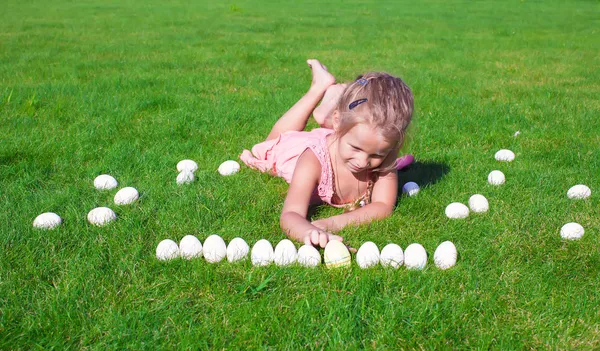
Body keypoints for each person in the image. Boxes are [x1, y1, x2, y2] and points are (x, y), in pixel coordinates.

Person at [240, 59, 414, 248]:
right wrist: (308, 231)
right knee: (273, 143)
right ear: (337, 122)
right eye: (356, 148)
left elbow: (382, 206)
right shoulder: (312, 160)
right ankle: (319, 88)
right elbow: (291, 214)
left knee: (354, 137)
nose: (363, 161)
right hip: (300, 153)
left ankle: (327, 110)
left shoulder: (383, 156)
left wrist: (331, 223)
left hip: (339, 137)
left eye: (376, 155)